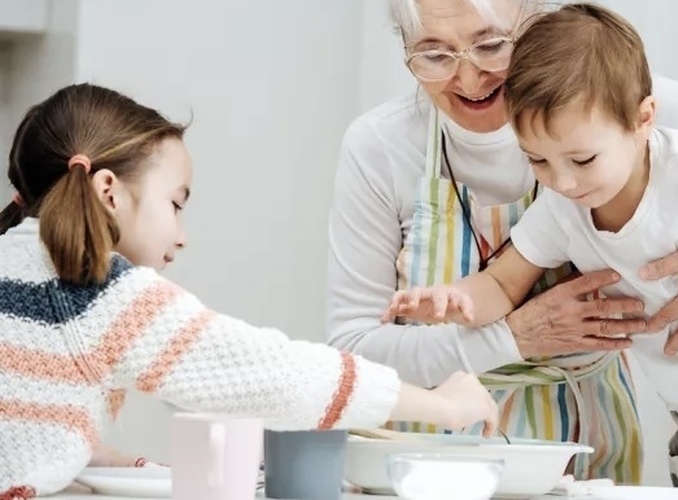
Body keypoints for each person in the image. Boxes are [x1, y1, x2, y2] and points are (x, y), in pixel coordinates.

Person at [326, 0, 678, 482]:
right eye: (434, 54)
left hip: (586, 448)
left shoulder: (603, 100)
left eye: (491, 45)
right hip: (425, 455)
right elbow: (353, 352)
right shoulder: (380, 146)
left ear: (532, 17)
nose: (470, 77)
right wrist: (514, 337)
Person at [0, 84, 498, 498]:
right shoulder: (97, 292)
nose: (182, 235)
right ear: (109, 191)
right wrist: (442, 405)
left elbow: (24, 425)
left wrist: (99, 458)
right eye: (175, 204)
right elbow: (272, 375)